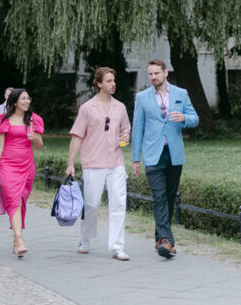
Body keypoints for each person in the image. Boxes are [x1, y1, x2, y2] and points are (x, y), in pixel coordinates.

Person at [131, 58, 199, 259]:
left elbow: (195, 118)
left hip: (174, 154)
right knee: (159, 197)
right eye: (150, 74)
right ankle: (167, 242)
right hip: (153, 155)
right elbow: (138, 129)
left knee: (169, 197)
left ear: (165, 73)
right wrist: (136, 159)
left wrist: (184, 118)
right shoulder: (142, 98)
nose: (153, 77)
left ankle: (158, 237)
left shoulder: (181, 94)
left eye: (156, 73)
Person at [66, 67, 132, 261]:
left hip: (116, 162)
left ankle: (117, 246)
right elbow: (76, 136)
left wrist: (125, 137)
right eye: (109, 81)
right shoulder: (87, 108)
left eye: (114, 80)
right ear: (99, 83)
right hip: (93, 163)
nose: (113, 84)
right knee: (92, 204)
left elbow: (125, 129)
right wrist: (71, 163)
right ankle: (85, 238)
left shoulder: (120, 107)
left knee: (119, 203)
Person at [0, 88, 44, 257]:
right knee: (13, 199)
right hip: (8, 165)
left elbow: (39, 146)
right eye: (23, 99)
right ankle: (20, 239)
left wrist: (35, 138)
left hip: (27, 165)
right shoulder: (3, 120)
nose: (27, 101)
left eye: (28, 98)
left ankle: (16, 238)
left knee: (21, 199)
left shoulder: (33, 120)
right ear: (14, 102)